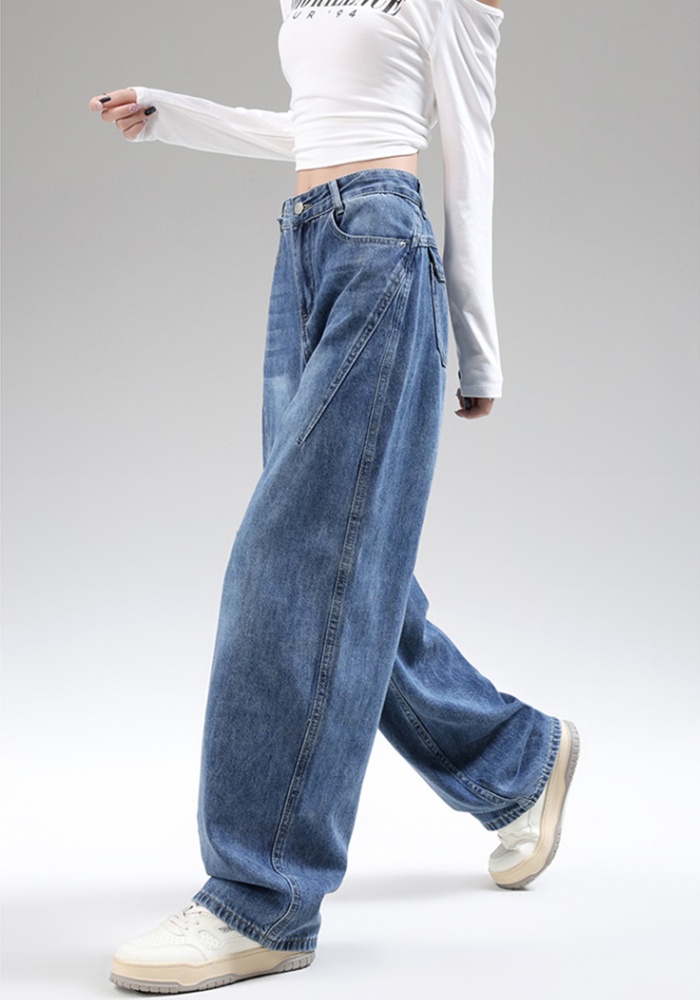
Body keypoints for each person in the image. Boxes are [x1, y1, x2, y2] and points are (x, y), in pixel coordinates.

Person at [90, 0, 579, 993]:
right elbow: (314, 124)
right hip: (304, 250)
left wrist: (478, 346)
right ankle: (515, 759)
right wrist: (175, 114)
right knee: (344, 565)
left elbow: (466, 148)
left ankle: (262, 895)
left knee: (294, 562)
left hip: (382, 252)